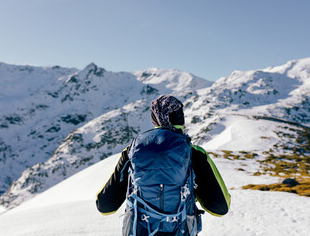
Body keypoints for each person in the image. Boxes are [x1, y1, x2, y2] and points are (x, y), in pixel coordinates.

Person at [96, 95, 231, 236]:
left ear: (155, 118)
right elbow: (220, 208)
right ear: (181, 118)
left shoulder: (132, 152)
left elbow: (105, 206)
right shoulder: (194, 153)